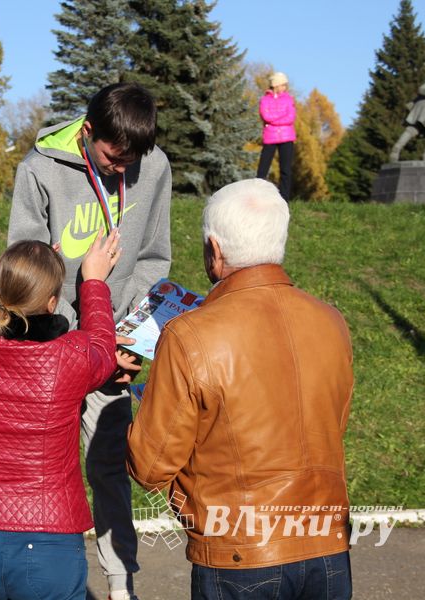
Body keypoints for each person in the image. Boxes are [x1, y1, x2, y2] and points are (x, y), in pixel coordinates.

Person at [127, 178, 354, 599]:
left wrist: (137, 405)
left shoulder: (189, 334)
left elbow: (151, 465)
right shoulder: (332, 321)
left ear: (214, 250)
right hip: (327, 545)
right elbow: (331, 424)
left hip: (238, 554)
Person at [8, 82, 172, 600]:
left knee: (108, 469)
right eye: (112, 156)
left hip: (114, 350)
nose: (121, 169)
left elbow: (153, 260)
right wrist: (57, 323)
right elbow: (22, 269)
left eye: (132, 161)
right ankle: (40, 584)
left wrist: (132, 342)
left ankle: (122, 587)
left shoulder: (156, 167)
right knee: (42, 473)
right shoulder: (39, 169)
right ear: (88, 132)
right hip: (51, 351)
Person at [0, 234, 121, 600]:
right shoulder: (72, 357)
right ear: (53, 302)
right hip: (50, 536)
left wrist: (23, 278)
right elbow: (102, 346)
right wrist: (95, 281)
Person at [256, 72, 296, 201]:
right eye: (283, 84)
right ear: (276, 85)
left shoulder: (289, 99)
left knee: (285, 171)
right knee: (263, 169)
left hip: (287, 137)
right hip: (270, 137)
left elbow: (291, 117)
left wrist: (273, 122)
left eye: (285, 85)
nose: (285, 87)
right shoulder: (264, 100)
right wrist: (280, 118)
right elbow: (265, 116)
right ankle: (257, 197)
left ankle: (284, 200)